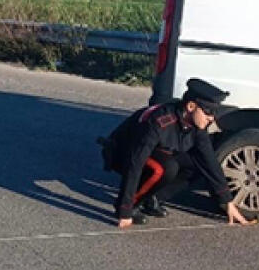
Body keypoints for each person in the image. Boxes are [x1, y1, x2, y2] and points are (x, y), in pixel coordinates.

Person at [102, 77, 251, 228]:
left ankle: (151, 198)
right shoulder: (159, 121)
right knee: (165, 168)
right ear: (191, 106)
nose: (211, 118)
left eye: (214, 113)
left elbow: (209, 161)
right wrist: (125, 210)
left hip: (155, 152)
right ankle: (133, 203)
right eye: (208, 112)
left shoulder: (197, 125)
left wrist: (227, 201)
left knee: (197, 165)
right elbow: (135, 163)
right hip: (124, 151)